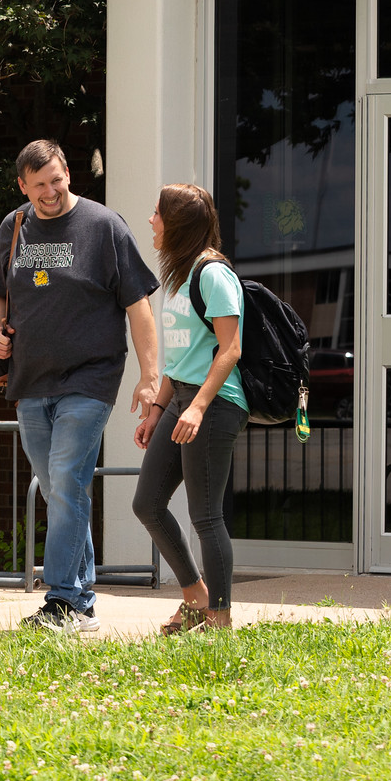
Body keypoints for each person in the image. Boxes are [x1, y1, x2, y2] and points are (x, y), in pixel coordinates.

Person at [0, 139, 161, 634]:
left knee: (65, 480)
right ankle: (81, 603)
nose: (50, 192)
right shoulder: (13, 226)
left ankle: (61, 600)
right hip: (30, 380)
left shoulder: (104, 226)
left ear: (68, 173)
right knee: (62, 490)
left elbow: (139, 305)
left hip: (91, 377)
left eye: (57, 180)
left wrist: (150, 378)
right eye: (38, 184)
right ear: (23, 185)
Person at [132, 182, 249, 635]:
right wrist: (158, 410)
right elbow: (180, 356)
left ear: (177, 223)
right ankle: (195, 595)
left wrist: (197, 407)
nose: (151, 220)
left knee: (205, 514)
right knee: (148, 504)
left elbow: (230, 349)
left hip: (215, 403)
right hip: (181, 397)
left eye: (157, 213)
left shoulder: (213, 274)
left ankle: (219, 619)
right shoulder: (179, 276)